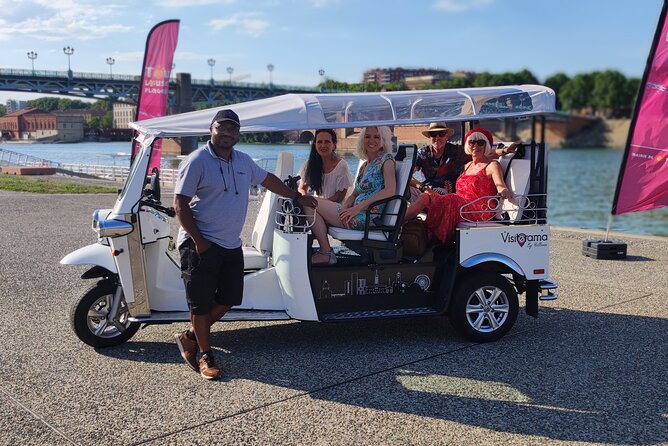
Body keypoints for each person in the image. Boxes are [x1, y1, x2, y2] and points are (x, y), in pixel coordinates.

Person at [173, 109, 317, 380]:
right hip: (199, 244)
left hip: (230, 245)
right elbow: (180, 204)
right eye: (222, 128)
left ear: (238, 134)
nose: (227, 133)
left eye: (232, 129)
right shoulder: (197, 161)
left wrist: (297, 198)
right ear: (212, 129)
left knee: (229, 299)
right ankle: (206, 355)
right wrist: (200, 242)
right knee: (201, 305)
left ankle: (189, 336)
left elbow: (268, 180)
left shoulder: (243, 161)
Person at [303, 126, 396, 265]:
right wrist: (346, 206)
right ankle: (323, 251)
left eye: (376, 137)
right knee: (309, 205)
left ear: (383, 140)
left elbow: (390, 190)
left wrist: (357, 208)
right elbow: (355, 193)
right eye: (367, 137)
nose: (372, 141)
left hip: (367, 217)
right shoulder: (366, 165)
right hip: (354, 212)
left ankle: (326, 253)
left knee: (308, 202)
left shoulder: (386, 160)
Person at [404, 127, 513, 245]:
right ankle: (397, 224)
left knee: (451, 199)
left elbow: (500, 184)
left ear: (486, 145)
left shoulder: (492, 165)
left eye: (480, 142)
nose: (475, 146)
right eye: (472, 142)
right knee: (425, 197)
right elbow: (410, 172)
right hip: (459, 204)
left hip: (477, 209)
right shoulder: (467, 165)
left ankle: (436, 239)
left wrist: (504, 190)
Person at [410, 122, 520, 199]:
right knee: (409, 191)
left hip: (449, 195)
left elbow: (482, 154)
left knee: (424, 199)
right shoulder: (422, 153)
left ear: (446, 136)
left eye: (441, 134)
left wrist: (505, 150)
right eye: (434, 134)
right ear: (429, 137)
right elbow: (409, 175)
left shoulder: (456, 151)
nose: (437, 137)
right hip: (426, 191)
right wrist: (423, 187)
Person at [298, 129, 353, 202]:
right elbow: (301, 188)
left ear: (334, 145)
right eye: (319, 142)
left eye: (327, 142)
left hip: (336, 208)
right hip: (316, 206)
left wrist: (318, 205)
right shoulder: (310, 164)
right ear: (315, 144)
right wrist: (306, 200)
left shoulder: (342, 166)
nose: (323, 145)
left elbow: (339, 197)